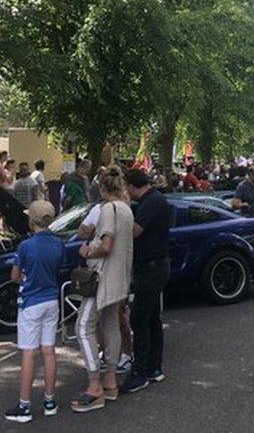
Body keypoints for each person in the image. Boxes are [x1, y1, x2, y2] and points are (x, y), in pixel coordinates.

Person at [71, 166, 135, 412]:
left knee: (82, 326)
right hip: (119, 279)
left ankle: (94, 385)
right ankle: (110, 380)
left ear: (101, 188)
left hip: (100, 278)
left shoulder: (107, 209)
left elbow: (106, 245)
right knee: (111, 325)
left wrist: (88, 250)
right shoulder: (127, 210)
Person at [4, 200, 63, 423]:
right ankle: (49, 401)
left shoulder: (26, 246)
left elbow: (14, 276)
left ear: (31, 222)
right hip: (51, 300)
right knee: (49, 350)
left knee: (29, 352)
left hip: (31, 302)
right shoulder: (58, 244)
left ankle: (25, 405)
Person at [121, 168, 172, 394]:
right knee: (151, 318)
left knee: (139, 319)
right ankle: (154, 367)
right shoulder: (153, 200)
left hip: (152, 268)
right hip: (153, 266)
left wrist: (123, 210)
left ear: (132, 185)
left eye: (126, 188)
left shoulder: (152, 201)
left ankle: (140, 371)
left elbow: (135, 231)